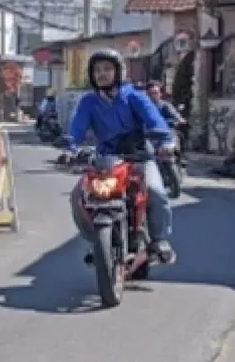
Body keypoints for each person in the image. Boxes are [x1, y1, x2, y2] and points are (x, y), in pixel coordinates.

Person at [62, 49, 177, 264]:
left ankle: (159, 240)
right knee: (79, 195)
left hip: (139, 157)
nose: (102, 74)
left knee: (156, 191)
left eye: (107, 69)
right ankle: (94, 241)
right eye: (97, 70)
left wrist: (165, 143)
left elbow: (155, 121)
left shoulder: (135, 96)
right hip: (106, 160)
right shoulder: (88, 102)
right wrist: (70, 148)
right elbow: (77, 129)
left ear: (119, 72)